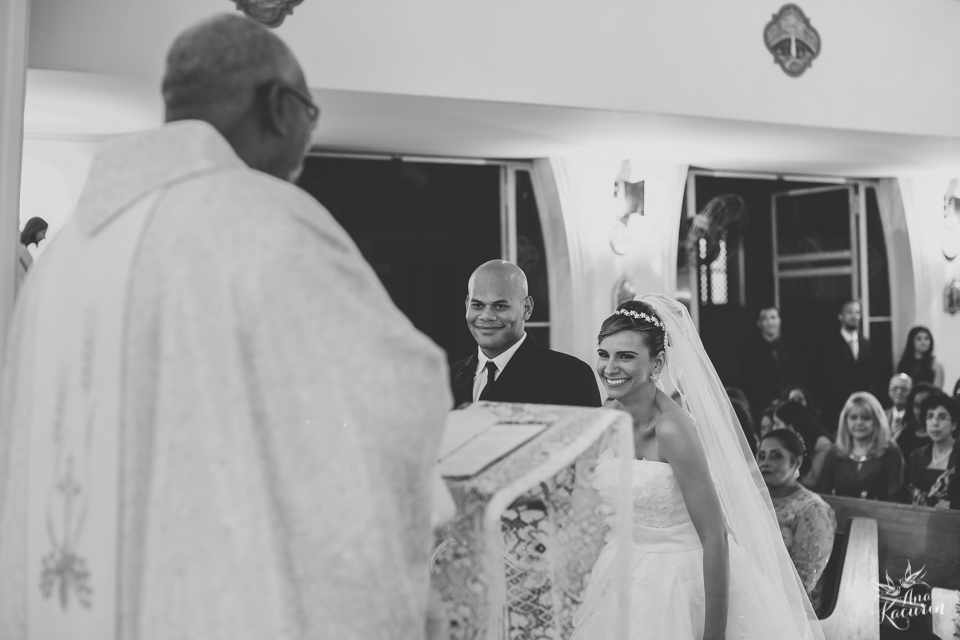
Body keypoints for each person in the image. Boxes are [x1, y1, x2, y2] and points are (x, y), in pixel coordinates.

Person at [0, 15, 452, 639]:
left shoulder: (62, 258)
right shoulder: (263, 221)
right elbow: (395, 395)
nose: (305, 148)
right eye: (310, 117)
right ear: (280, 107)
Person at [570, 297, 824, 640]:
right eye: (604, 354)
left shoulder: (672, 430)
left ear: (657, 362)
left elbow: (715, 535)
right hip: (622, 569)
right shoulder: (606, 418)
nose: (609, 367)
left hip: (683, 579)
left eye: (625, 356)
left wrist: (713, 634)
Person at [449, 260, 601, 408]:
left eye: (500, 306)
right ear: (467, 305)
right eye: (477, 305)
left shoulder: (570, 375)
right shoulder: (445, 377)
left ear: (527, 308)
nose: (486, 316)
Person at [757, 429, 836, 613]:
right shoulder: (753, 499)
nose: (765, 463)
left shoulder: (813, 509)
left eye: (776, 456)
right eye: (761, 456)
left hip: (789, 608)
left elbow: (803, 580)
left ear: (797, 462)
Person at [815, 392, 905, 501]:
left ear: (876, 421)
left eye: (866, 418)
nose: (859, 423)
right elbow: (821, 495)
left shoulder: (891, 453)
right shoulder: (834, 453)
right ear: (845, 421)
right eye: (853, 417)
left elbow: (895, 499)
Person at [814, 300, 876, 432]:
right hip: (836, 407)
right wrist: (849, 395)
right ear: (840, 316)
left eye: (857, 312)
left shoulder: (866, 344)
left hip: (864, 406)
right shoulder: (828, 344)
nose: (854, 316)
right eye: (850, 312)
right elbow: (828, 375)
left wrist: (864, 396)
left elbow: (872, 373)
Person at [737, 306, 798, 424]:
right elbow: (748, 382)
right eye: (765, 318)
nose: (770, 322)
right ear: (759, 323)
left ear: (779, 321)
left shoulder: (791, 347)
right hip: (762, 410)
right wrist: (771, 401)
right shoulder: (748, 351)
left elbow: (797, 376)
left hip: (790, 407)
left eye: (773, 317)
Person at [905, 394, 958, 509]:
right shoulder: (917, 455)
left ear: (954, 424)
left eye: (942, 417)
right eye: (930, 416)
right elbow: (909, 493)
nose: (935, 423)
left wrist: (952, 505)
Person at [773, 400, 833, 489]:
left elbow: (812, 481)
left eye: (777, 424)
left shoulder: (822, 444)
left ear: (791, 425)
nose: (774, 428)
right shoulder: (788, 443)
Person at [897, 382, 942, 458]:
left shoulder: (941, 437)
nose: (920, 410)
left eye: (925, 405)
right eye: (916, 406)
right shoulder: (905, 435)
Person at [16, 216, 47, 289]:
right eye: (43, 233)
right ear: (35, 230)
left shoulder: (20, 249)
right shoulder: (20, 250)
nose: (44, 237)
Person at [885, 373, 913, 444]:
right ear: (889, 391)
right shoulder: (882, 415)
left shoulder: (914, 418)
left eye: (904, 389)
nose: (899, 392)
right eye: (895, 388)